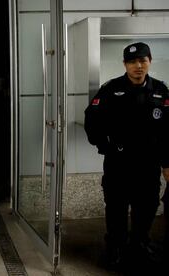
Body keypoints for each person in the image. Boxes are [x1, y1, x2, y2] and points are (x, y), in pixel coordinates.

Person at [84, 42, 169, 271]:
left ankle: (140, 245)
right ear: (125, 64)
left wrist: (166, 163)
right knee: (116, 208)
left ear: (150, 61)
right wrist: (105, 146)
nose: (138, 66)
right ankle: (115, 249)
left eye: (142, 60)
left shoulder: (161, 91)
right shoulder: (111, 89)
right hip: (119, 164)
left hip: (148, 166)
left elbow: (168, 131)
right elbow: (91, 120)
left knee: (147, 207)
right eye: (132, 62)